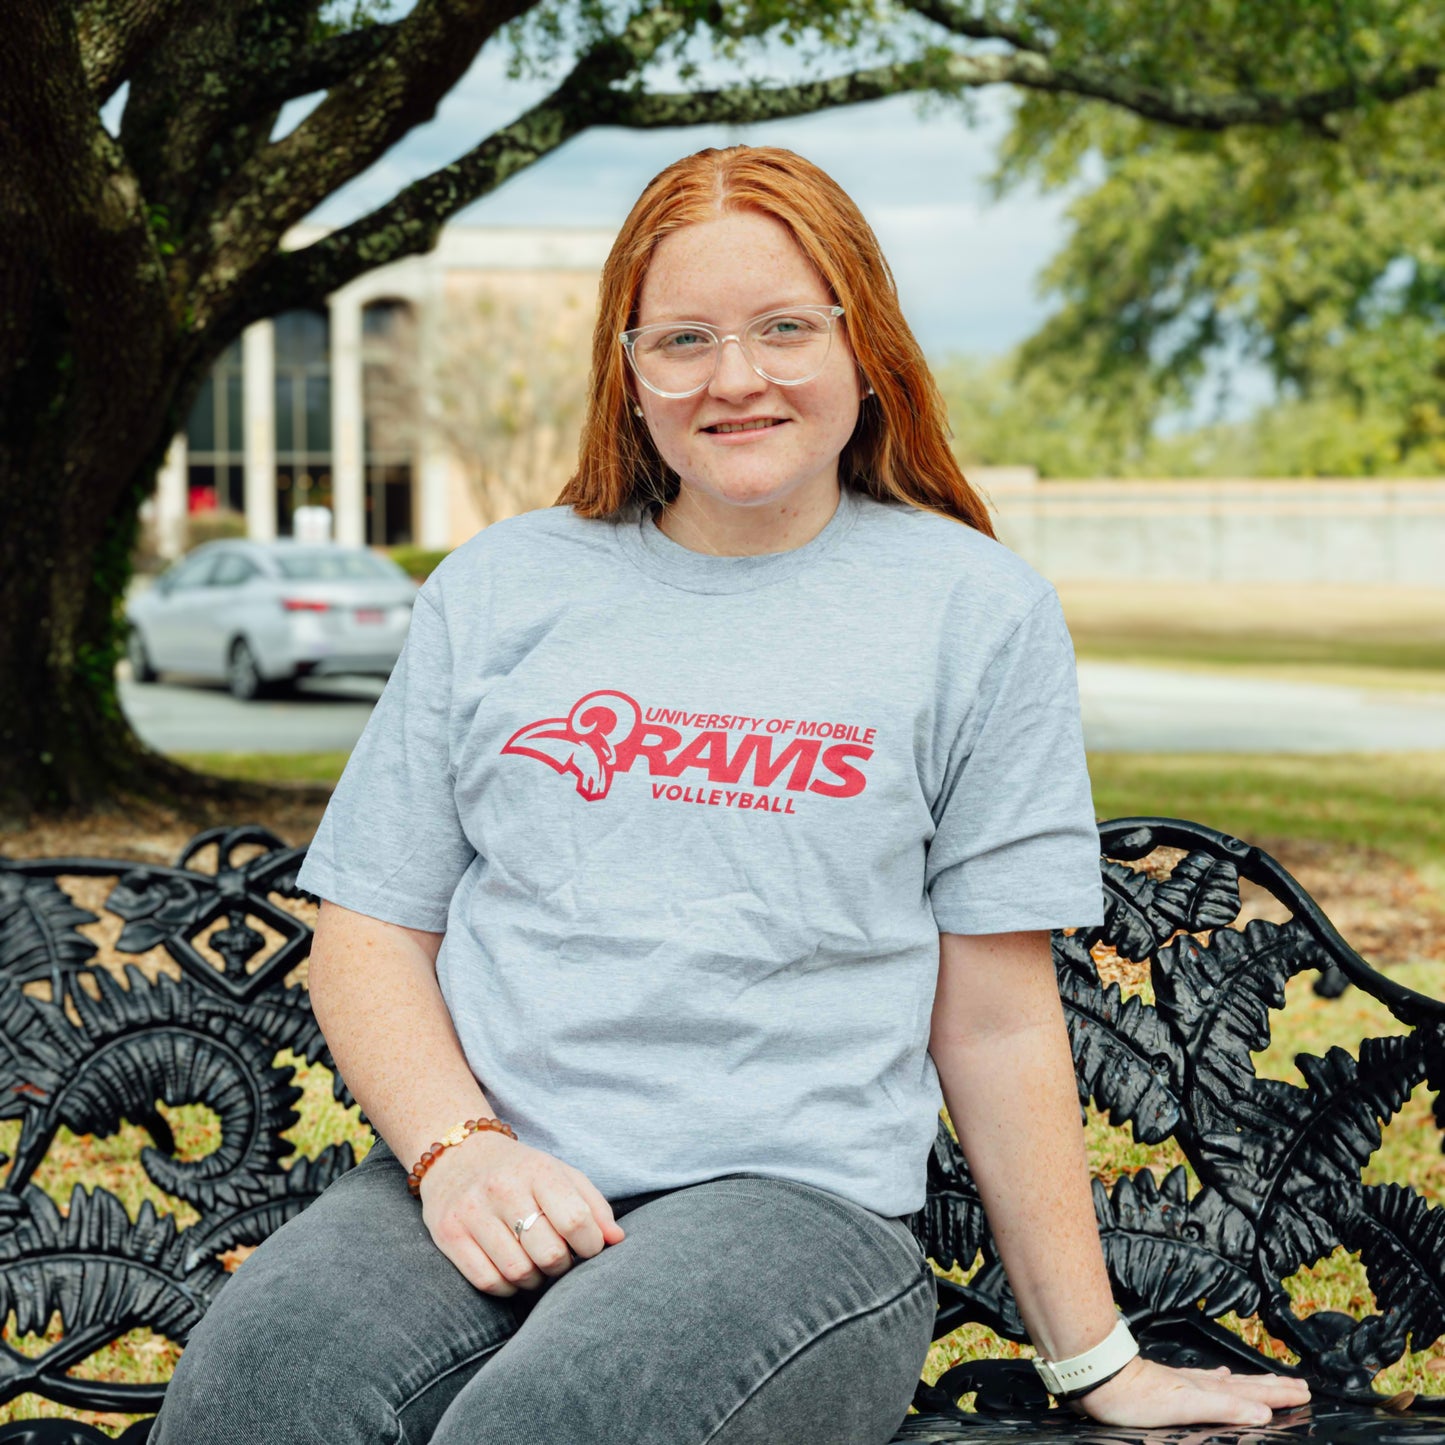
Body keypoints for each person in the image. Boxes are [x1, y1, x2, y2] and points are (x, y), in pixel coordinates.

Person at [151, 145, 1311, 1445]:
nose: (735, 377)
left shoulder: (970, 611)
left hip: (787, 1211)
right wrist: (455, 1146)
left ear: (862, 344)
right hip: (486, 1170)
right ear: (628, 368)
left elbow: (991, 1017)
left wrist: (1094, 1355)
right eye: (683, 338)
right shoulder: (502, 586)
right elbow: (371, 924)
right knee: (254, 1402)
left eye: (783, 328)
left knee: (550, 1429)